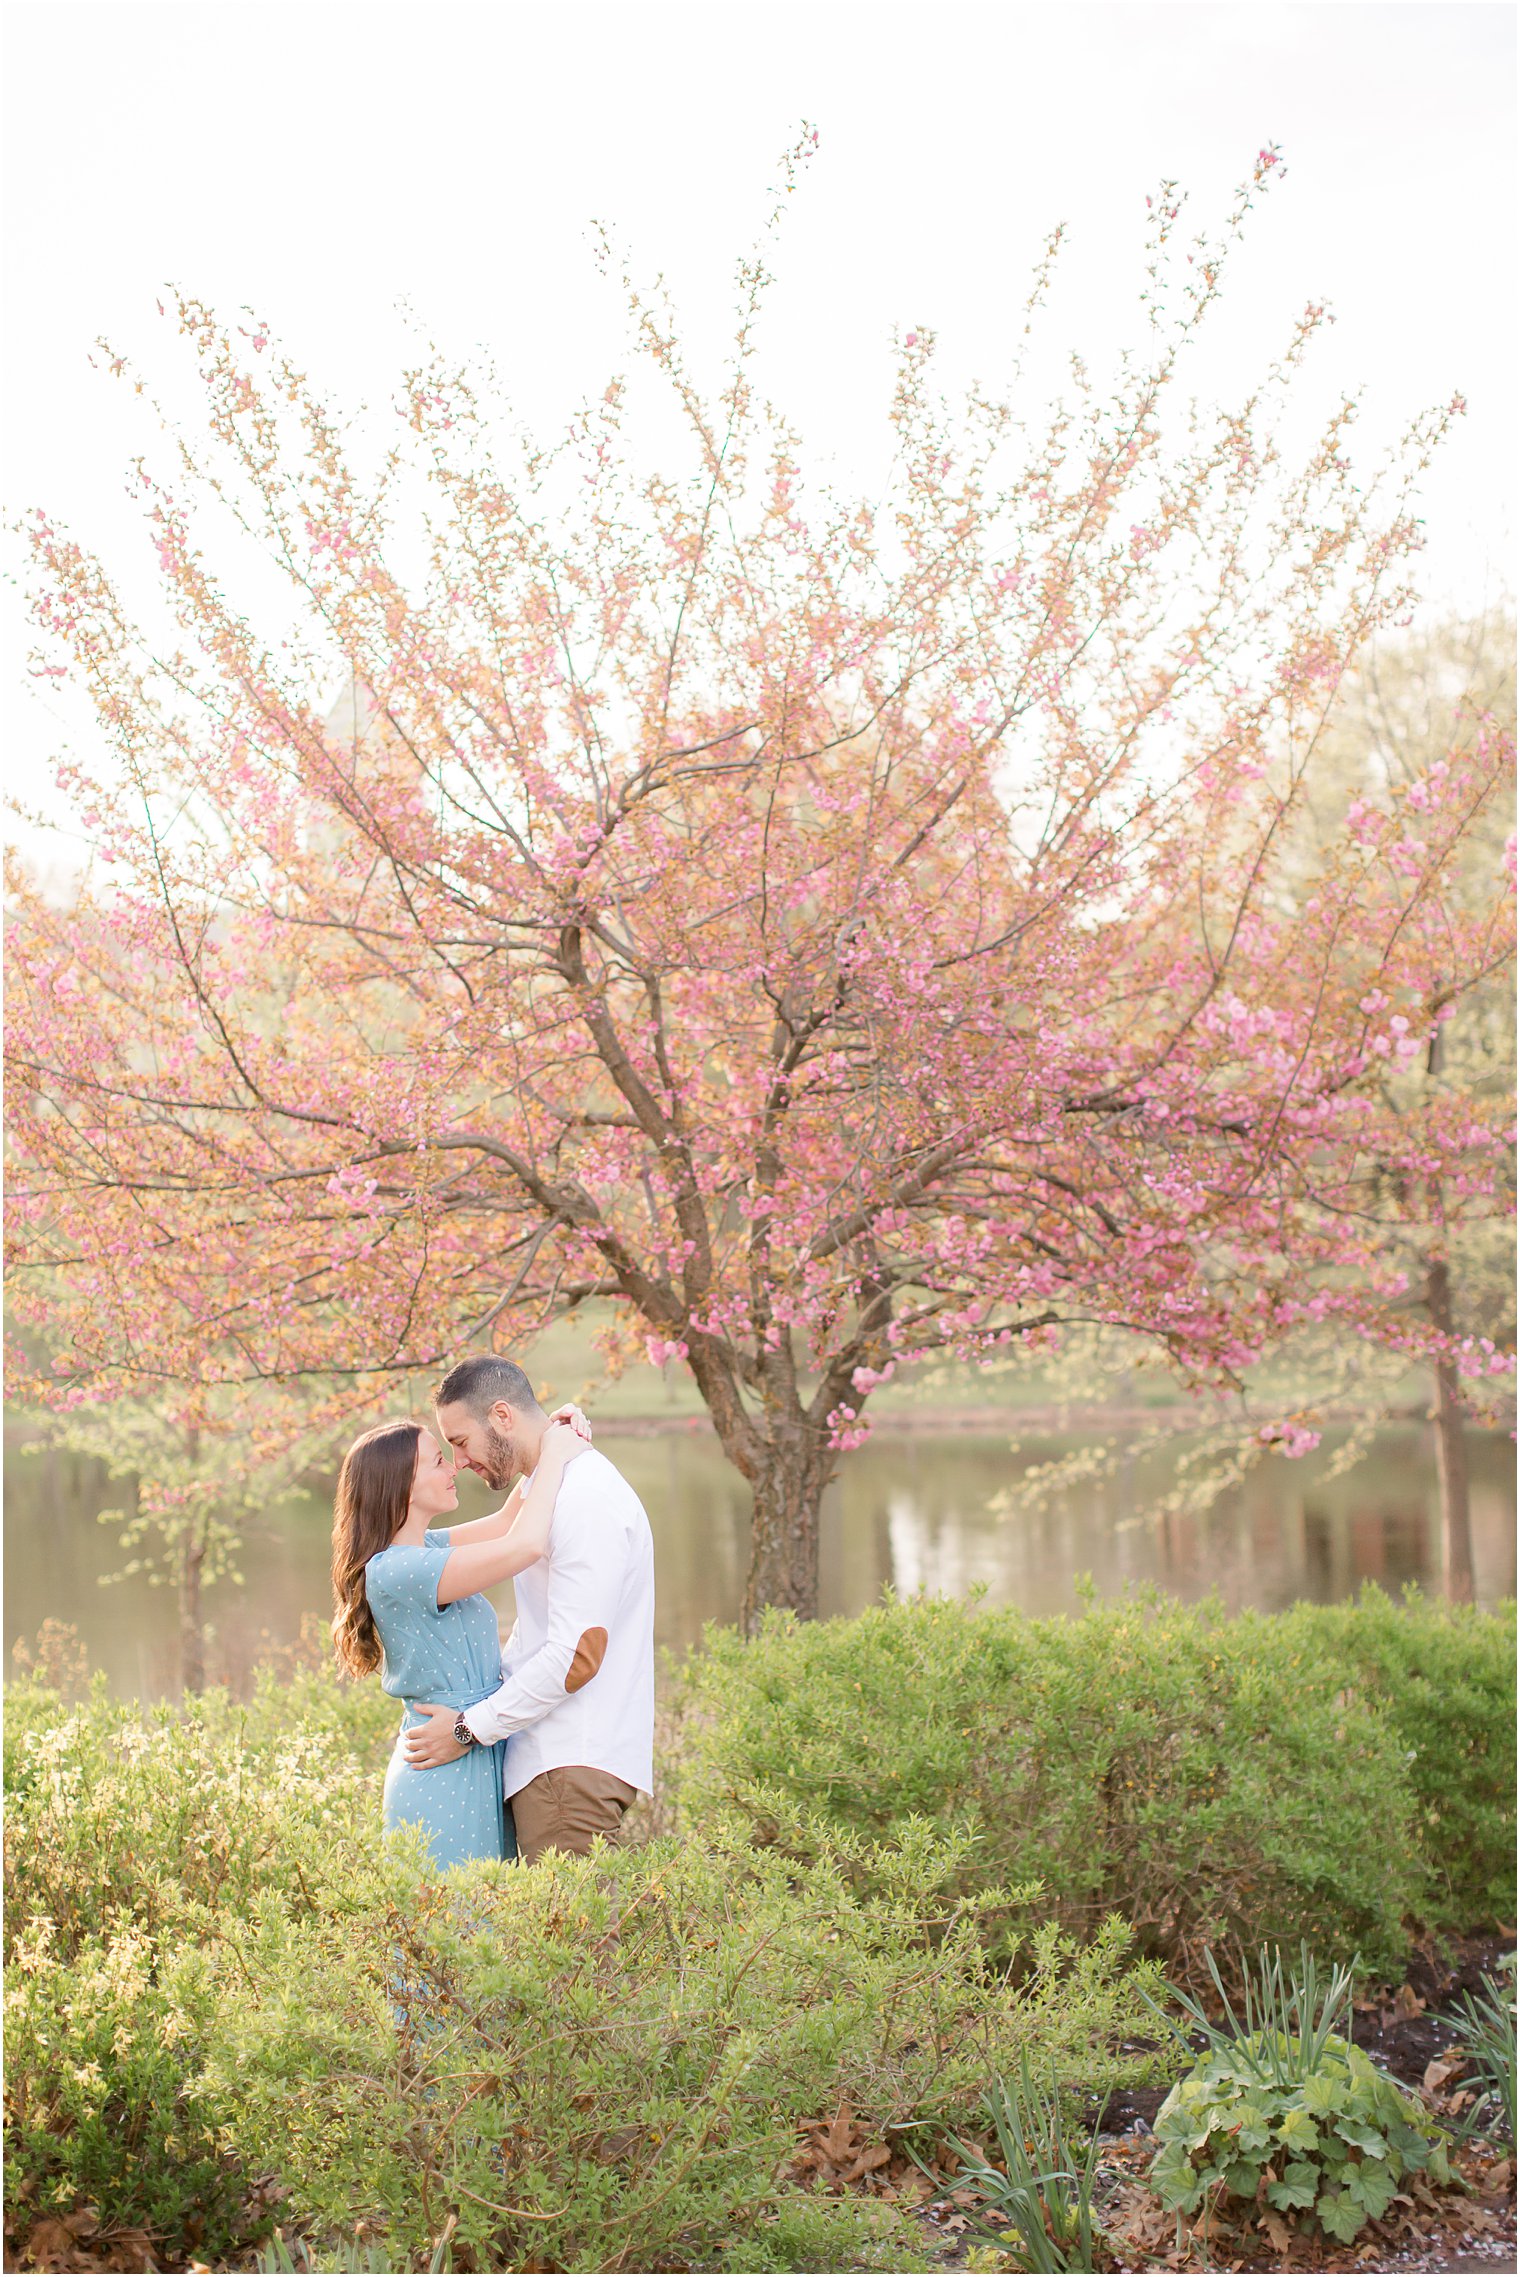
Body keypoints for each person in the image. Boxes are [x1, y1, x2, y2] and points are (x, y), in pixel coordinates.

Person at [403, 1354, 655, 1864]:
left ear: (501, 1416)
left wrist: (467, 1730)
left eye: (460, 1442)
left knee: (571, 1942)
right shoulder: (554, 1485)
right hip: (553, 1763)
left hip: (567, 1765)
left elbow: (576, 1656)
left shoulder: (585, 1497)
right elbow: (497, 1536)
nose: (461, 1462)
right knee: (553, 1939)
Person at [329, 1405, 590, 1869]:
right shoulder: (398, 1571)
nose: (453, 1467)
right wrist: (555, 1457)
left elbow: (508, 1523)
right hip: (444, 1773)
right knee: (459, 1926)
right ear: (399, 1485)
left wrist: (549, 1436)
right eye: (435, 1461)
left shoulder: (422, 1549)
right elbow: (523, 1546)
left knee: (490, 1924)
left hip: (470, 1746)